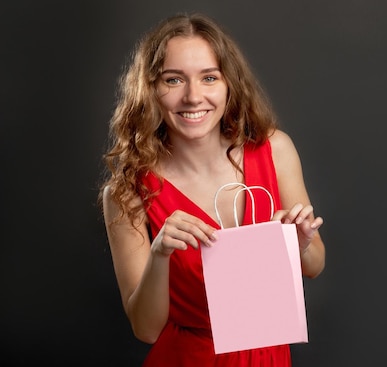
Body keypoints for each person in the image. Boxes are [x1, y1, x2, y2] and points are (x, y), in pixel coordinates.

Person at [97, 12, 325, 366]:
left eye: (209, 77)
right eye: (174, 80)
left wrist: (302, 244)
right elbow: (146, 329)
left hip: (269, 356)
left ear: (228, 83)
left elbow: (315, 265)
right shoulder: (126, 192)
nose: (193, 96)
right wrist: (159, 255)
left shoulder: (275, 150)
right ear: (150, 89)